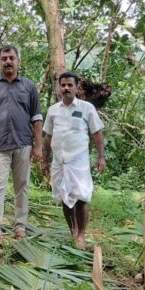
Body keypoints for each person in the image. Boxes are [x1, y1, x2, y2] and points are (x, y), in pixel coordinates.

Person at [0, 45, 43, 246]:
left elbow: (37, 117)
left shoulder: (29, 86)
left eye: (11, 58)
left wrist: (39, 146)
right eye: (4, 58)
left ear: (18, 61)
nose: (8, 61)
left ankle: (20, 226)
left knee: (22, 186)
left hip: (23, 143)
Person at [42, 72, 106, 250]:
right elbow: (47, 137)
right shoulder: (53, 110)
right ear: (59, 88)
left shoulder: (87, 108)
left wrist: (101, 157)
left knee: (81, 197)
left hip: (79, 161)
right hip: (59, 161)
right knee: (64, 197)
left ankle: (81, 236)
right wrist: (44, 161)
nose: (66, 88)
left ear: (77, 87)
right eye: (63, 85)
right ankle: (73, 231)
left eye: (70, 85)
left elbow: (97, 135)